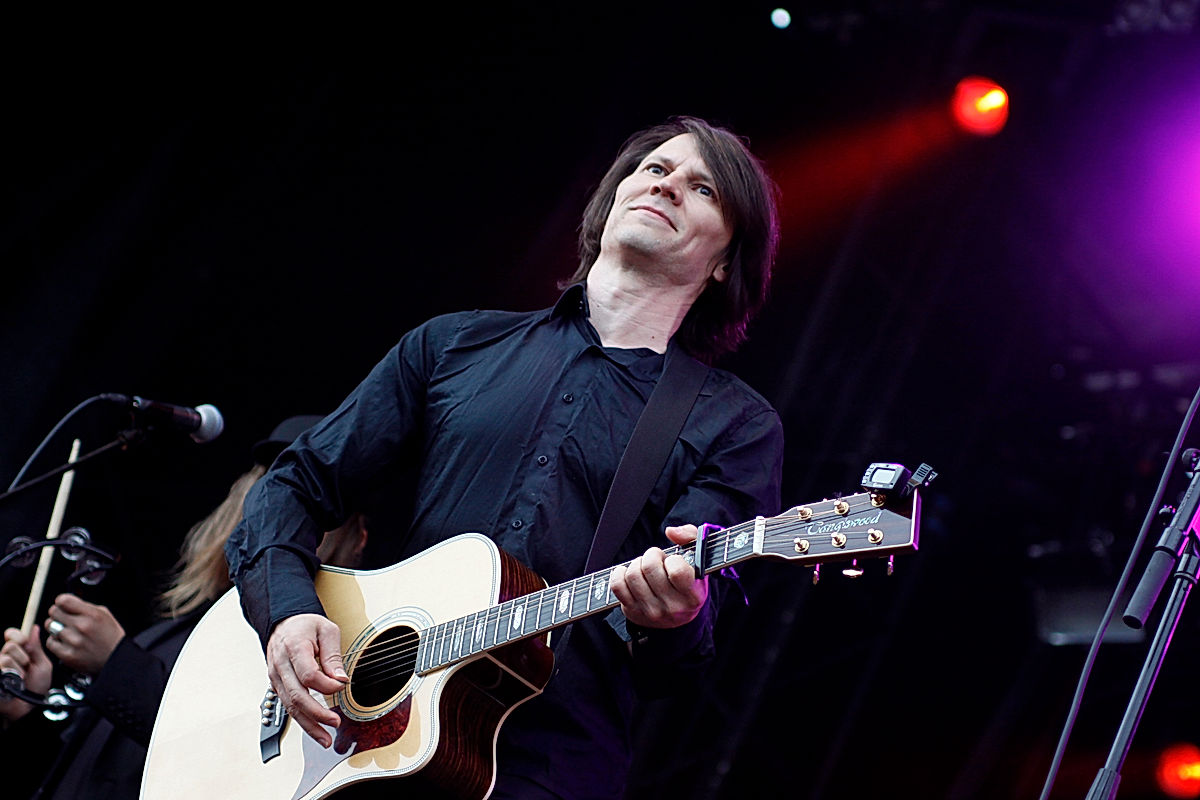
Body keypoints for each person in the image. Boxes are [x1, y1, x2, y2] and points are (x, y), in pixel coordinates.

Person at [224, 115, 786, 799]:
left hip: (540, 768)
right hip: (356, 746)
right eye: (656, 170)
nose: (667, 188)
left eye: (703, 190)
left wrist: (675, 611)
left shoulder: (734, 423)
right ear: (613, 199)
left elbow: (681, 654)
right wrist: (285, 612)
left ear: (727, 259)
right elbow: (292, 485)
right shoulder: (452, 347)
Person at [0, 415, 370, 800]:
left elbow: (234, 761)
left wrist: (116, 663)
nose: (277, 509)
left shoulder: (320, 650)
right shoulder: (172, 632)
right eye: (271, 486)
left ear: (358, 537)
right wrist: (26, 714)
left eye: (300, 496)